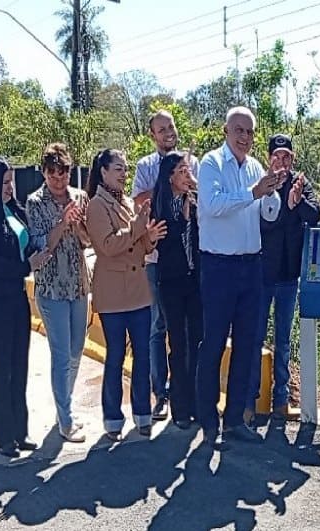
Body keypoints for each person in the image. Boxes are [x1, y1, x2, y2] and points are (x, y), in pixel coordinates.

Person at [195, 106, 282, 446]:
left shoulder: (257, 167)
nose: (245, 137)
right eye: (239, 131)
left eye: (250, 132)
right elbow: (214, 205)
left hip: (250, 266)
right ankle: (207, 419)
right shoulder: (211, 164)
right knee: (214, 343)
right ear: (226, 131)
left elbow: (268, 216)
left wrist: (273, 195)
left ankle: (234, 419)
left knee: (247, 344)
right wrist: (254, 193)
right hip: (218, 266)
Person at [0, 156, 48, 458]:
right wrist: (26, 266)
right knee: (0, 369)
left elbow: (24, 244)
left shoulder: (16, 210)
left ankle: (20, 431)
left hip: (16, 296)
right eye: (4, 182)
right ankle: (3, 437)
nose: (9, 187)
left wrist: (38, 251)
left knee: (20, 365)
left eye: (11, 181)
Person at [85, 148, 167, 441]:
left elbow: (139, 247)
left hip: (138, 291)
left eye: (125, 168)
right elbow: (107, 246)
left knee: (143, 355)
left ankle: (143, 415)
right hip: (113, 294)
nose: (123, 174)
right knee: (116, 356)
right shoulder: (95, 206)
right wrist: (136, 230)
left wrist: (150, 238)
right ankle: (112, 418)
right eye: (118, 168)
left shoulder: (128, 205)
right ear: (104, 172)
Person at [247, 134, 320, 422]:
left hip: (289, 277)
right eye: (276, 156)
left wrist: (298, 202)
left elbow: (315, 216)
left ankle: (281, 398)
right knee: (254, 338)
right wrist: (284, 207)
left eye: (287, 156)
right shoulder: (260, 186)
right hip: (261, 276)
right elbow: (260, 222)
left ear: (293, 159)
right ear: (269, 159)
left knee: (283, 339)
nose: (282, 161)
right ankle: (249, 400)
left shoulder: (301, 185)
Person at [132, 110, 200, 421]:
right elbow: (140, 202)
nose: (168, 132)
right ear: (152, 136)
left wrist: (181, 182)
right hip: (156, 260)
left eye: (170, 126)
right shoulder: (146, 166)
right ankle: (161, 394)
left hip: (190, 264)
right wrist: (167, 184)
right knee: (158, 327)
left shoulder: (192, 161)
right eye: (161, 129)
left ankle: (187, 394)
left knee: (189, 333)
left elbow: (198, 196)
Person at [26, 142, 92, 443]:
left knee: (77, 350)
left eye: (63, 171)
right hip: (51, 286)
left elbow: (87, 241)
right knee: (61, 353)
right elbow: (42, 245)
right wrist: (62, 223)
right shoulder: (35, 202)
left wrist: (78, 226)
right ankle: (65, 419)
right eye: (52, 172)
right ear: (44, 172)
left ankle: (63, 404)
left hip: (77, 283)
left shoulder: (80, 197)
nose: (58, 178)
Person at [151, 152, 202, 429]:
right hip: (171, 282)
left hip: (195, 280)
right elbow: (164, 241)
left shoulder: (193, 201)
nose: (187, 176)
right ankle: (179, 406)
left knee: (197, 340)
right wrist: (182, 218)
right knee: (178, 343)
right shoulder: (161, 204)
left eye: (188, 170)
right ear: (170, 175)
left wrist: (195, 192)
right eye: (182, 171)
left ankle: (196, 402)